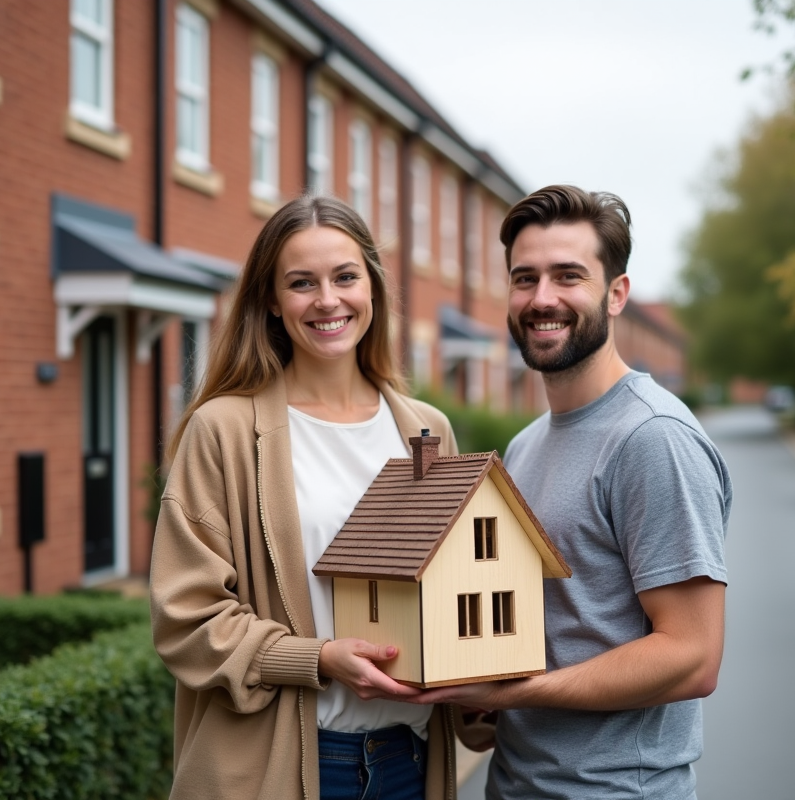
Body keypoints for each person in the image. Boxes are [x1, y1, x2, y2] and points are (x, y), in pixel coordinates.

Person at [416, 185, 732, 798]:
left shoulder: (653, 438)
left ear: (616, 294)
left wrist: (515, 692)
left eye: (568, 276)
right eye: (524, 278)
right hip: (516, 783)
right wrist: (472, 694)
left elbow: (693, 656)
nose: (542, 299)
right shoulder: (527, 445)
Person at [150, 195, 462, 800]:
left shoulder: (427, 432)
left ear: (372, 286)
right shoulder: (224, 431)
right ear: (270, 300)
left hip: (410, 764)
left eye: (346, 276)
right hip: (279, 764)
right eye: (301, 282)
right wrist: (316, 658)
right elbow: (186, 619)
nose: (328, 300)